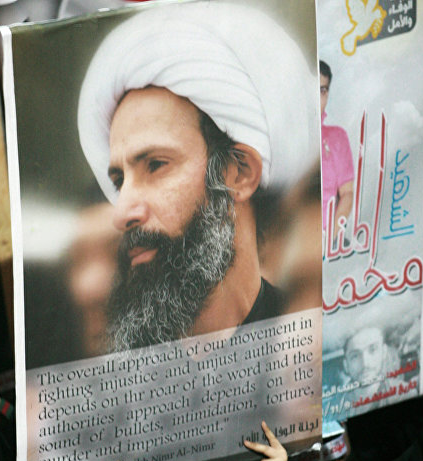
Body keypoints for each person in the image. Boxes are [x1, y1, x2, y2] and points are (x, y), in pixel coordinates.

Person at [76, 1, 318, 353]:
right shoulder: (120, 376)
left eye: (156, 165)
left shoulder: (310, 339)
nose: (121, 211)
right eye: (118, 180)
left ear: (239, 173)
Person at [318, 60, 355, 244]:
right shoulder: (285, 134)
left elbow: (347, 194)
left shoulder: (337, 137)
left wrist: (328, 240)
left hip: (329, 240)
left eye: (322, 91)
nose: (317, 98)